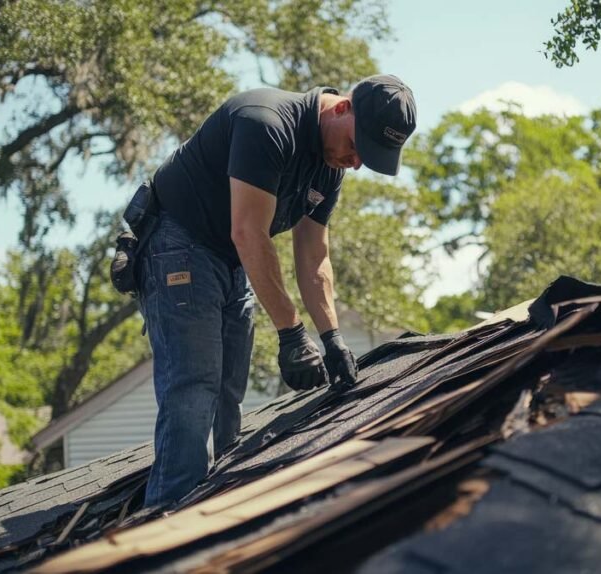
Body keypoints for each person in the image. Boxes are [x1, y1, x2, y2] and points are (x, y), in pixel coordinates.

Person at [134, 74, 417, 507]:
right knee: (194, 387)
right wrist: (290, 333)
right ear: (341, 108)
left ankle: (214, 508)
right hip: (179, 244)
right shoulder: (265, 123)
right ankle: (167, 517)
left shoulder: (331, 163)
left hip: (229, 257)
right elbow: (249, 233)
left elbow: (313, 254)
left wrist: (332, 338)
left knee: (229, 392)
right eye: (357, 146)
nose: (356, 161)